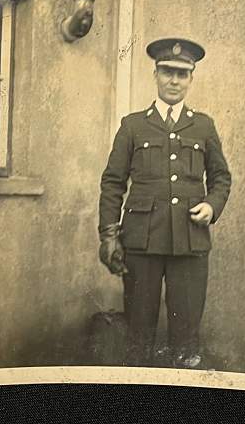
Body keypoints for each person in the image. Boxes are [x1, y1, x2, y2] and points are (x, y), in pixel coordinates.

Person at [98, 38, 231, 368]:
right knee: (139, 332)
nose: (174, 80)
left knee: (186, 337)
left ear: (191, 78)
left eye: (182, 74)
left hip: (190, 242)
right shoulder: (133, 125)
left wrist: (212, 206)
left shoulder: (203, 125)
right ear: (155, 74)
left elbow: (221, 177)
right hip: (142, 242)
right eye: (168, 72)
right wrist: (109, 235)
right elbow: (113, 182)